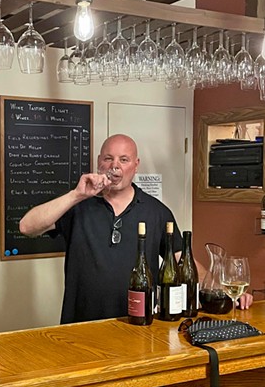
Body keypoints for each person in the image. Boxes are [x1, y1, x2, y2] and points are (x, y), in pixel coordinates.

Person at [19, 134, 252, 323]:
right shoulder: (77, 205)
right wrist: (76, 194)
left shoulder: (157, 212)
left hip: (138, 323)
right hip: (81, 326)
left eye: (124, 159)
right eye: (108, 159)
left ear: (135, 165)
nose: (115, 166)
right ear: (99, 162)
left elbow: (185, 262)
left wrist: (226, 290)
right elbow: (27, 227)